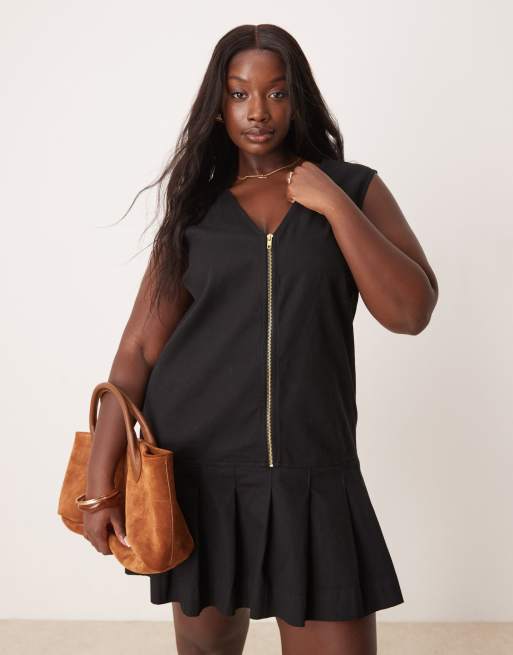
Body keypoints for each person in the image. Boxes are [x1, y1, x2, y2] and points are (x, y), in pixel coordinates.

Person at [82, 23, 438, 655]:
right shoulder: (198, 210)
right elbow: (137, 351)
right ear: (218, 105)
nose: (258, 111)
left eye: (276, 93)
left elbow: (410, 312)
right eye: (239, 93)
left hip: (314, 476)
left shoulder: (353, 187)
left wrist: (334, 204)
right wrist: (98, 483)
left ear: (298, 99)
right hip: (202, 476)